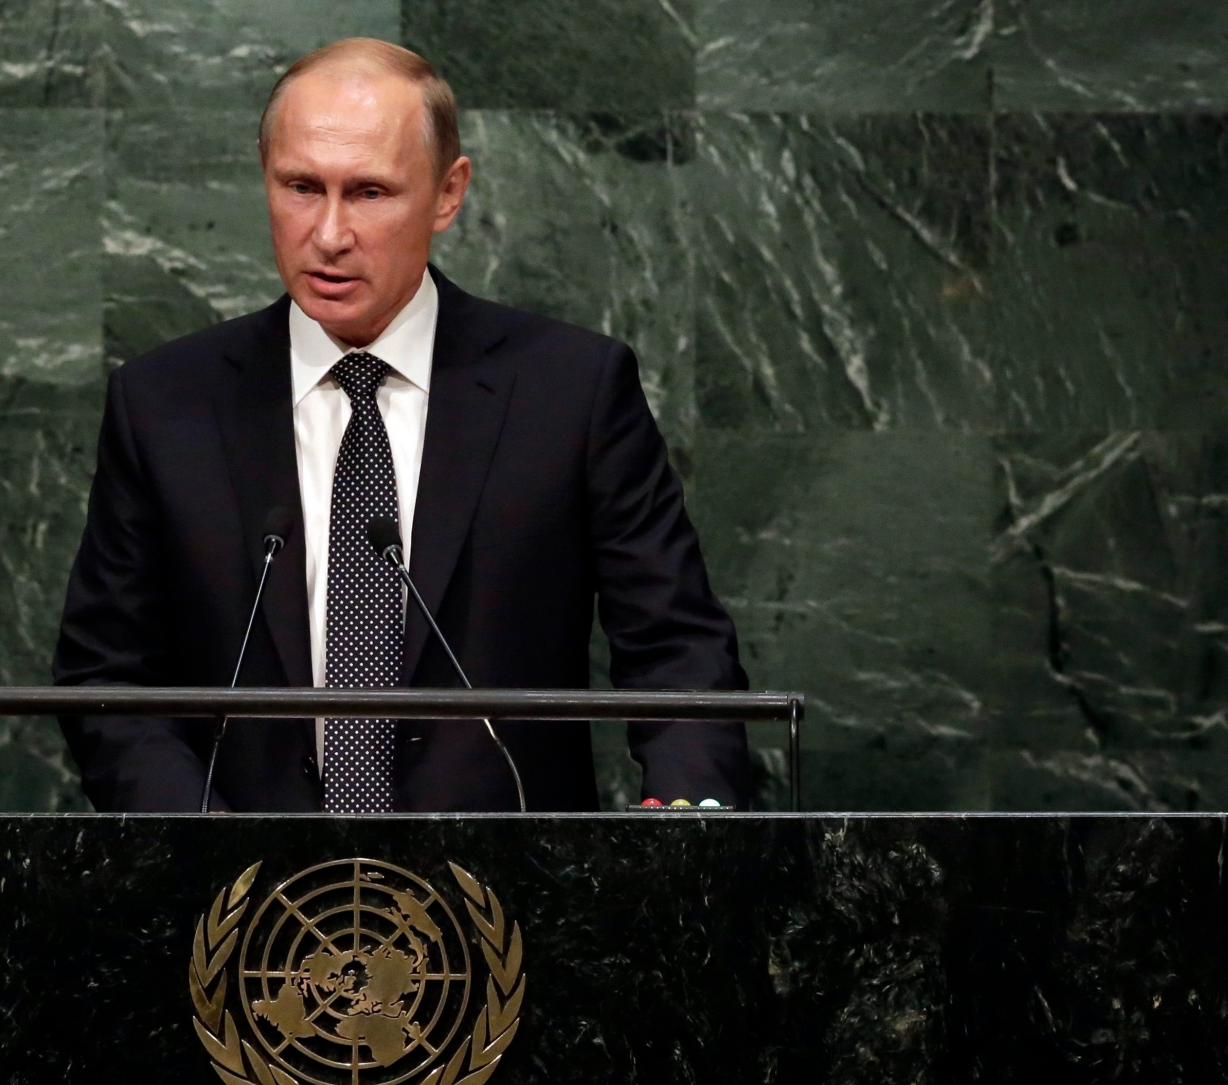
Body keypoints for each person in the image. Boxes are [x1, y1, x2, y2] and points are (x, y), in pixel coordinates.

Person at [53, 38, 749, 812]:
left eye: (371, 193)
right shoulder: (165, 403)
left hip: (510, 898)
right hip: (246, 908)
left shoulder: (570, 391)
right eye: (300, 187)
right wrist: (199, 843)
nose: (328, 233)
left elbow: (676, 646)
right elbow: (106, 676)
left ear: (449, 194)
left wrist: (694, 816)